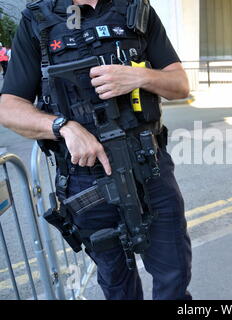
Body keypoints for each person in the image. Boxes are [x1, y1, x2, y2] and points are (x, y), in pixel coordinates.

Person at [0, 0, 192, 300]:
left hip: (149, 170)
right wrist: (62, 126)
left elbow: (180, 84)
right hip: (84, 179)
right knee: (116, 285)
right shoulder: (37, 20)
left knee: (174, 276)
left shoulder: (136, 10)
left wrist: (140, 76)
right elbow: (8, 107)